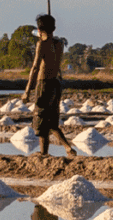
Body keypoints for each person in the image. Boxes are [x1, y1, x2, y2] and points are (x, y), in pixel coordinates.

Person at [21, 11, 78, 159]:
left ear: (39, 29)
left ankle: (50, 151)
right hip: (56, 84)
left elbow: (35, 68)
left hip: (44, 84)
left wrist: (27, 91)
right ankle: (63, 149)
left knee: (41, 121)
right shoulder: (59, 44)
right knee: (52, 122)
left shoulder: (42, 44)